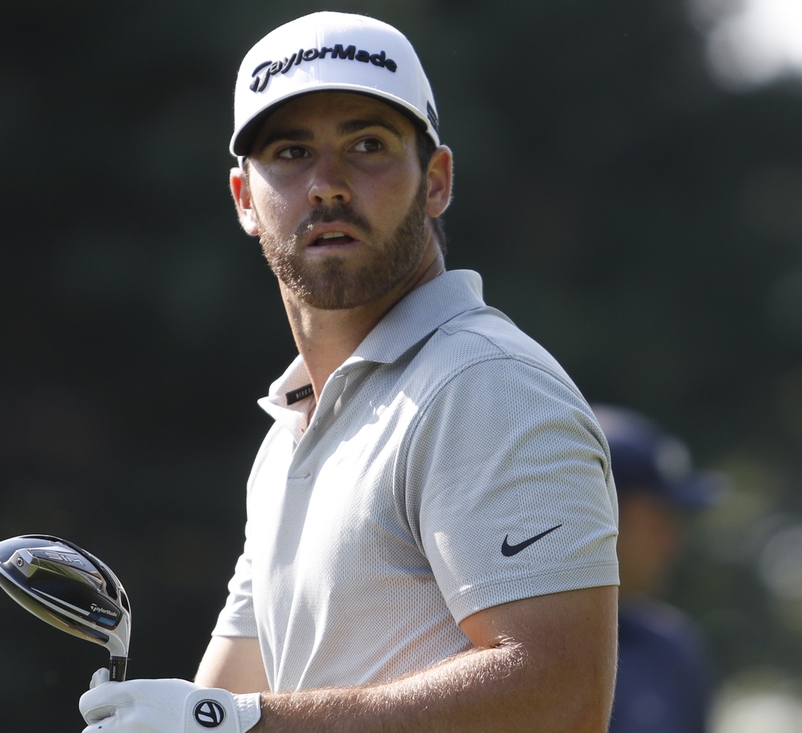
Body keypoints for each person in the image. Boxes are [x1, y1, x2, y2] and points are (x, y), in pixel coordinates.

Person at [78, 12, 620, 733]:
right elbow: (233, 697)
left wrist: (232, 721)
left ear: (436, 181)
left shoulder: (482, 383)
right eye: (291, 152)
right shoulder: (292, 431)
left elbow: (562, 694)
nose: (327, 185)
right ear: (245, 199)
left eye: (367, 146)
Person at [591, 404, 720, 733]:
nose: (671, 544)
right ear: (606, 514)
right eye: (659, 520)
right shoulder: (490, 644)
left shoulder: (671, 652)